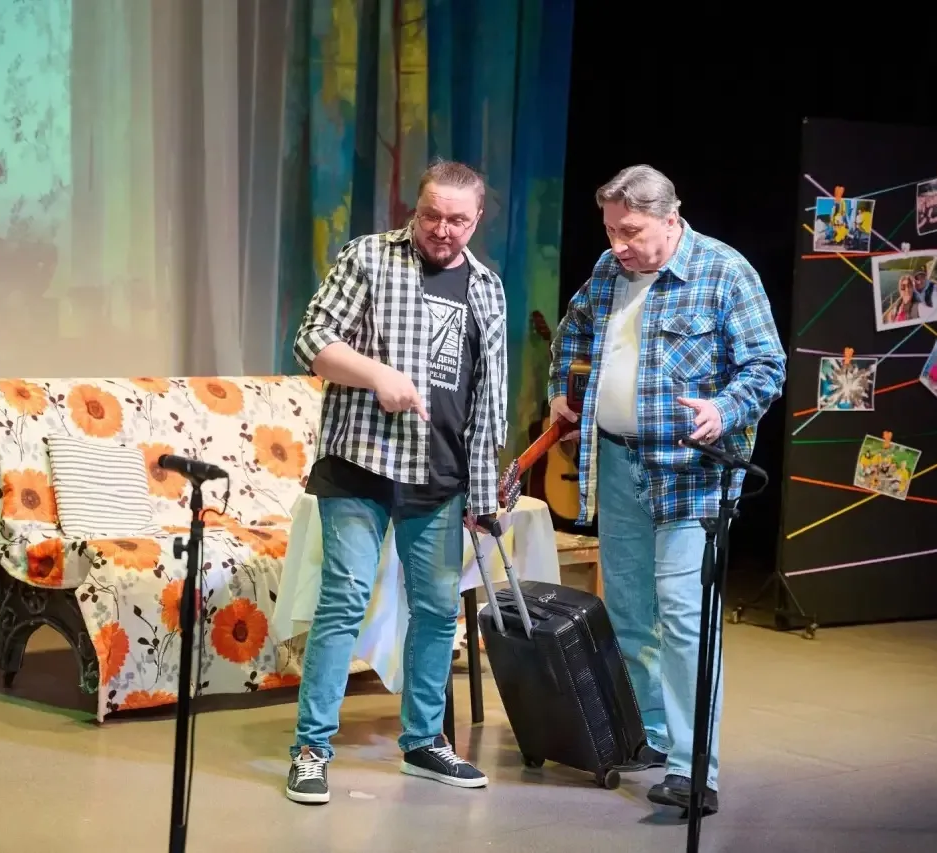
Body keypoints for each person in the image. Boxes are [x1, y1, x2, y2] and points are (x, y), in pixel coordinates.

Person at [548, 164, 786, 815]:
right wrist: (564, 393)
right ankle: (650, 734)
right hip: (616, 461)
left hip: (691, 473)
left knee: (684, 616)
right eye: (610, 230)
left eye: (630, 231)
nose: (618, 244)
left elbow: (767, 365)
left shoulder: (724, 272)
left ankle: (693, 766)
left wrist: (724, 409)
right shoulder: (608, 269)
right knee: (629, 611)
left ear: (670, 218)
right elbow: (573, 332)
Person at [285, 159, 508, 805]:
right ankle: (311, 749)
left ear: (476, 219)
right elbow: (311, 341)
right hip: (363, 463)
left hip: (441, 475)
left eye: (457, 219)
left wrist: (482, 492)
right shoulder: (370, 258)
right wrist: (376, 374)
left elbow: (487, 399)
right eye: (431, 214)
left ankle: (424, 742)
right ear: (417, 207)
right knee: (345, 599)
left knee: (437, 611)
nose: (441, 229)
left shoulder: (487, 288)